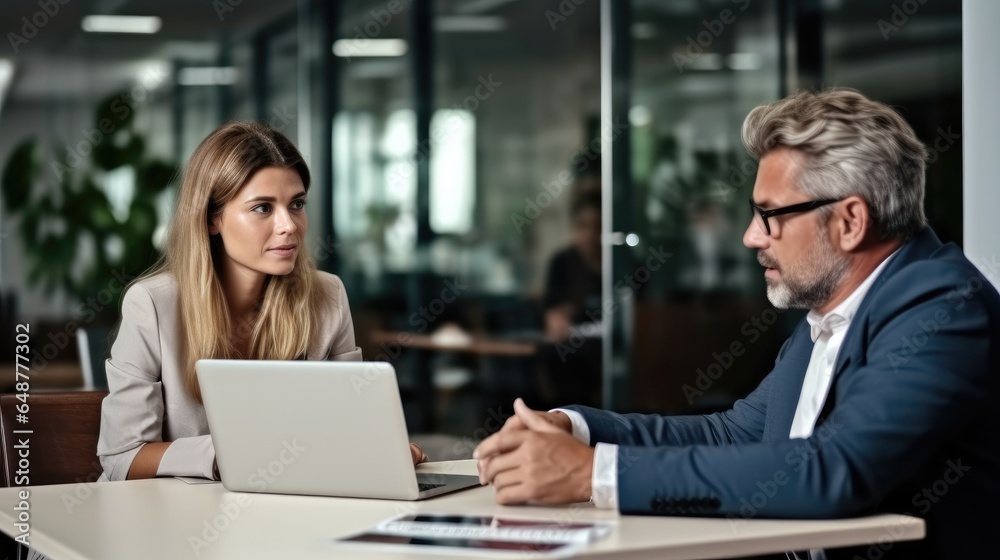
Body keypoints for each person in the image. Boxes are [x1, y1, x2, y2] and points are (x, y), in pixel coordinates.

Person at [474, 89, 1000, 560]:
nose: (751, 236)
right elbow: (730, 434)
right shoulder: (832, 313)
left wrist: (593, 475)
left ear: (849, 221)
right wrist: (575, 427)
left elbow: (838, 469)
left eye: (769, 214)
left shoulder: (941, 306)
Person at [97, 121, 426, 482]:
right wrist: (240, 453)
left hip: (287, 511)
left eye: (296, 204)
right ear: (212, 218)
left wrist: (380, 444)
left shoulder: (328, 296)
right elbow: (123, 458)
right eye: (263, 208)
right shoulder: (152, 305)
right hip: (176, 520)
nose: (289, 225)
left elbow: (354, 422)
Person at [541, 185, 603, 407]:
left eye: (598, 226)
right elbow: (554, 319)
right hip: (574, 349)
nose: (591, 234)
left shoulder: (626, 265)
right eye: (583, 225)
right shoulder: (562, 263)